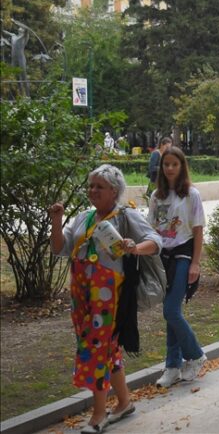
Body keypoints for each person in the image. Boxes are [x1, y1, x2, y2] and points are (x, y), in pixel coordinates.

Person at [49, 165, 161, 433]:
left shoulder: (125, 216)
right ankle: (124, 402)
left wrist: (135, 247)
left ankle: (98, 415)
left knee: (96, 350)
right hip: (81, 295)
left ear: (114, 191)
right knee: (106, 349)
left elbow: (156, 240)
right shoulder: (84, 218)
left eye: (99, 186)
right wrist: (56, 221)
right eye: (90, 185)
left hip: (109, 298)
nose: (92, 190)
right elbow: (58, 248)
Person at [148, 147, 207, 388]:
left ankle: (195, 354)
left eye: (174, 164)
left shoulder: (192, 194)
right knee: (171, 313)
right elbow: (150, 229)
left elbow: (198, 230)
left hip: (183, 255)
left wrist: (195, 263)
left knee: (171, 311)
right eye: (166, 164)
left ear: (182, 166)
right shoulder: (156, 196)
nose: (170, 168)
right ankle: (172, 366)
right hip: (162, 258)